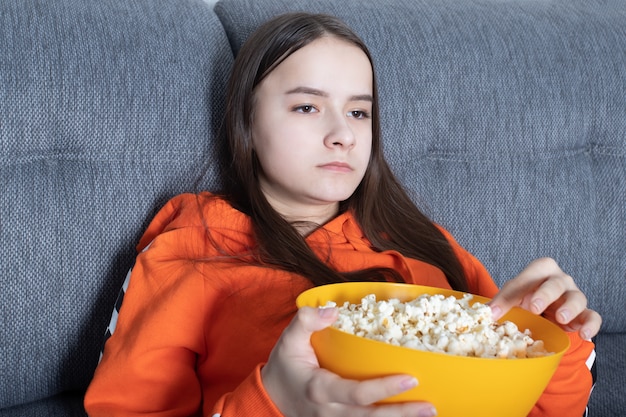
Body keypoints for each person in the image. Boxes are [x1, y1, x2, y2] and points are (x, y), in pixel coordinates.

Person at [84, 12, 601, 417]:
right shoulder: (191, 249)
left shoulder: (428, 246)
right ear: (246, 120)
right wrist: (274, 402)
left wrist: (556, 342)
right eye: (307, 107)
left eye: (359, 111)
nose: (344, 134)